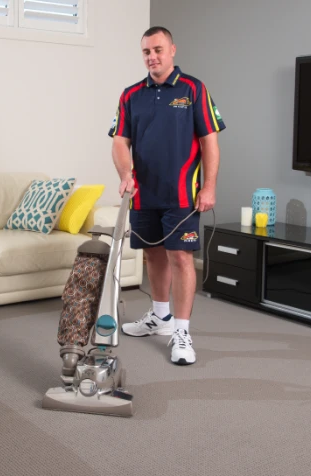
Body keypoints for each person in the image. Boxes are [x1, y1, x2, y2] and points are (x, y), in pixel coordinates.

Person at [108, 26, 226, 365]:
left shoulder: (193, 89)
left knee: (181, 259)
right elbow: (119, 141)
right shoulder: (131, 95)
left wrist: (209, 186)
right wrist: (126, 174)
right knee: (153, 257)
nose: (152, 57)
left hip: (183, 195)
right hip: (144, 195)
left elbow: (209, 142)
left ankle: (182, 332)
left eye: (158, 49)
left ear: (172, 50)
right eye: (146, 52)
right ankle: (160, 317)